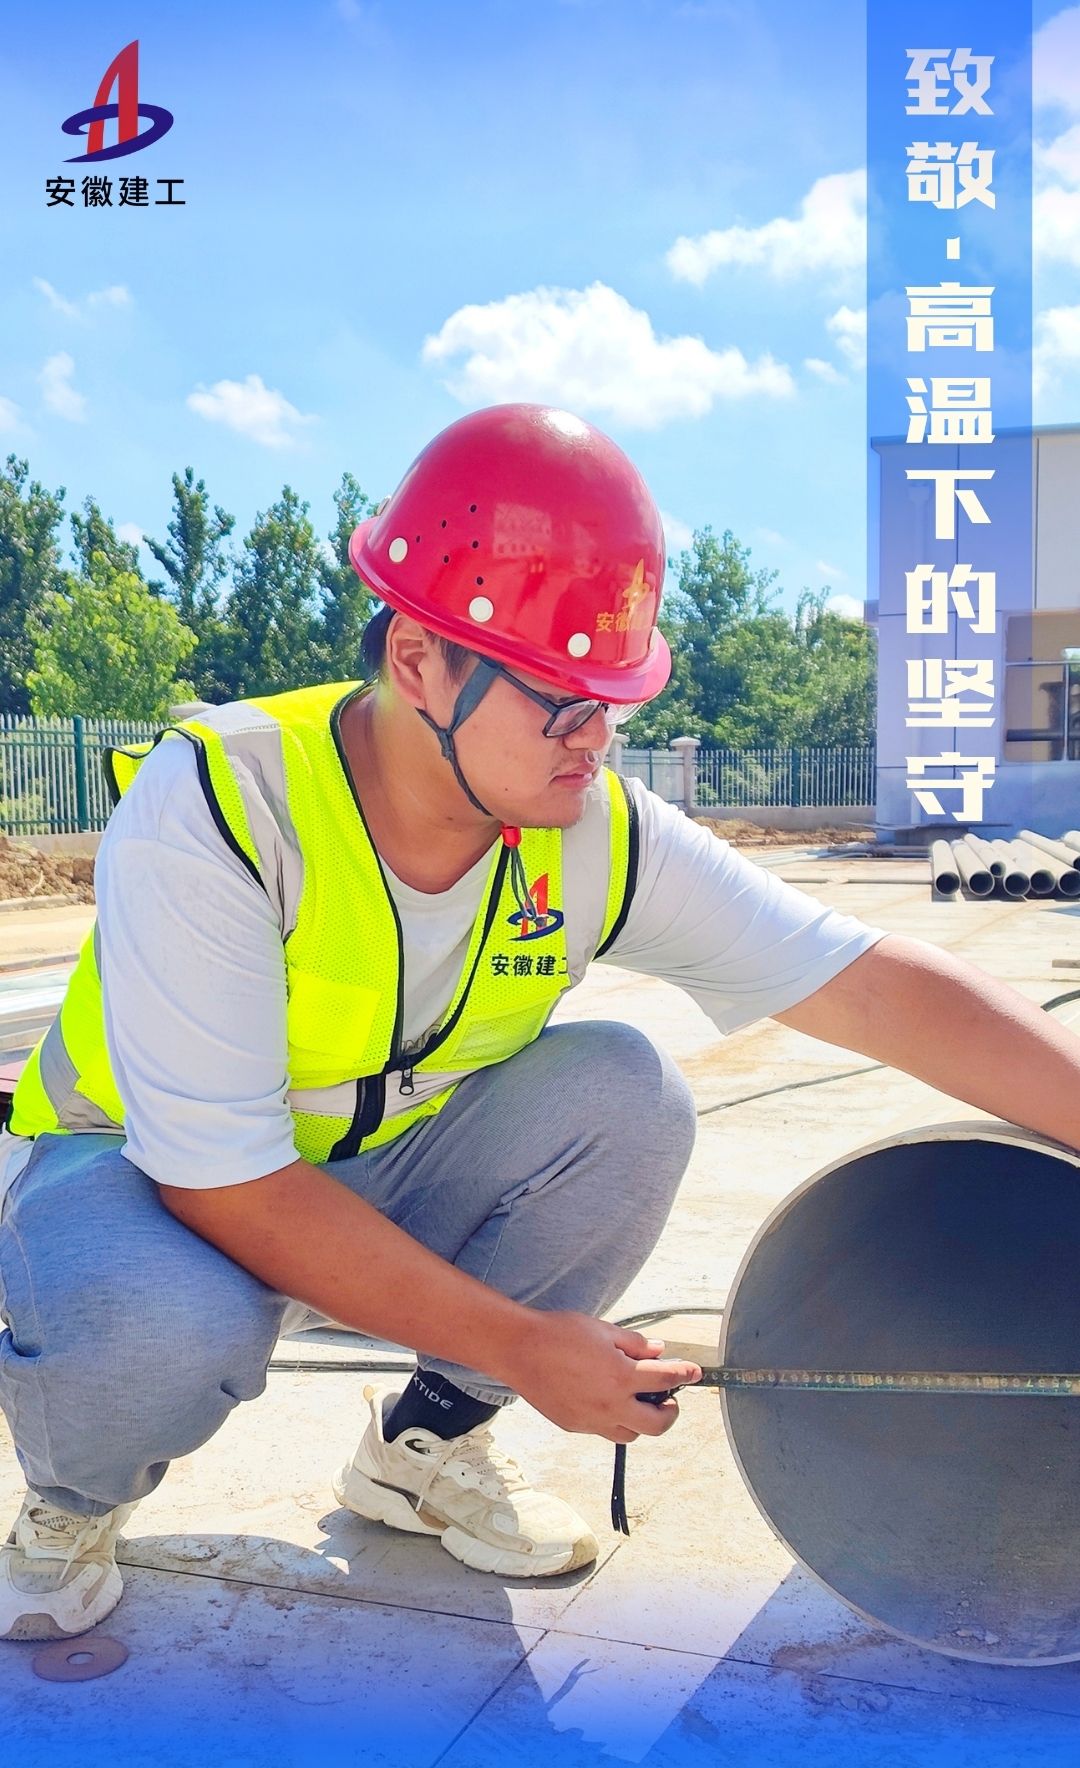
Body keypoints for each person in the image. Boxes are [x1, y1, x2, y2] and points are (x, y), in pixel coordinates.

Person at [3, 404, 1079, 1646]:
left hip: (366, 1173)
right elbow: (226, 1182)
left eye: (612, 701)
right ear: (420, 662)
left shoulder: (590, 831)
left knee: (625, 1095)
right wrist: (524, 1344)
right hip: (136, 1180)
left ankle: (423, 1451)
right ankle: (72, 1499)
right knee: (158, 1324)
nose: (596, 740)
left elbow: (869, 981)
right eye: (562, 701)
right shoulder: (228, 801)